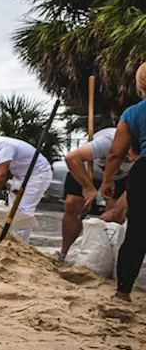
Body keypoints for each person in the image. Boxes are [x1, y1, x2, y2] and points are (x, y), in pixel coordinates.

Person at [101, 63, 146, 301]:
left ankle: (123, 292)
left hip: (144, 172)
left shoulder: (133, 113)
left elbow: (116, 153)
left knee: (137, 233)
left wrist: (107, 179)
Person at [58, 127, 133, 261]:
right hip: (85, 171)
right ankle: (64, 253)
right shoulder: (108, 141)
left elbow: (137, 185)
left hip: (120, 177)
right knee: (72, 205)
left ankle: (112, 260)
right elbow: (72, 159)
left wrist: (116, 210)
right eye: (127, 154)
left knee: (116, 217)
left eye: (134, 156)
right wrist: (88, 187)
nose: (130, 158)